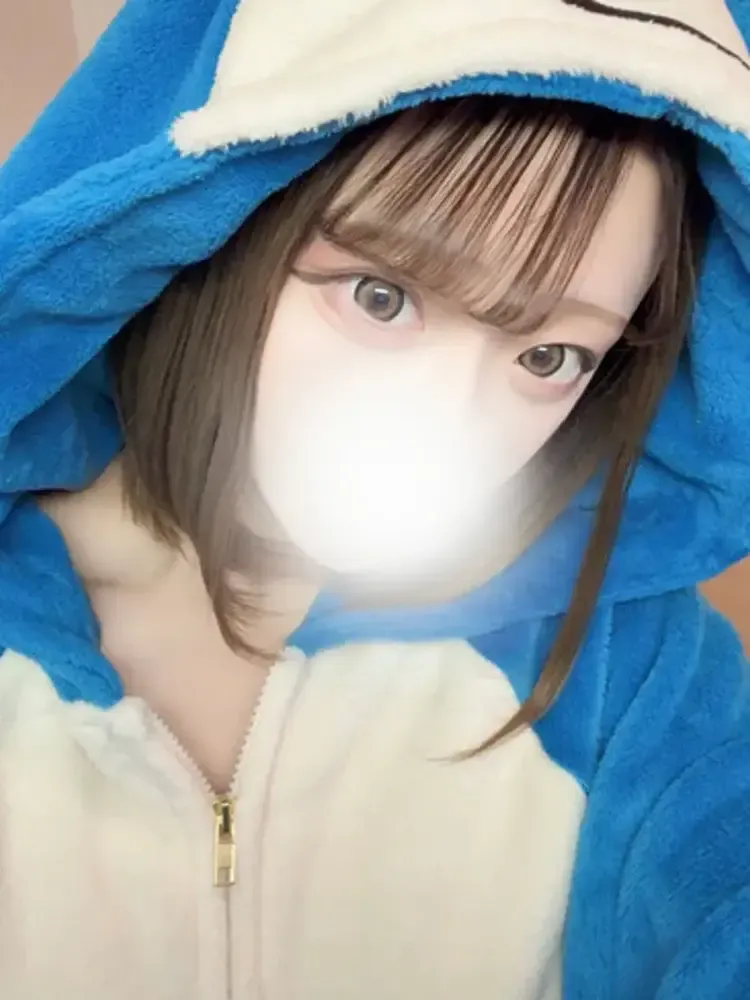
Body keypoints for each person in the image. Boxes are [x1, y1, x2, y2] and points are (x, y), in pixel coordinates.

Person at [0, 0, 748, 997]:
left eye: (549, 356)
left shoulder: (635, 671)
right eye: (381, 296)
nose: (453, 423)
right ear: (216, 232)